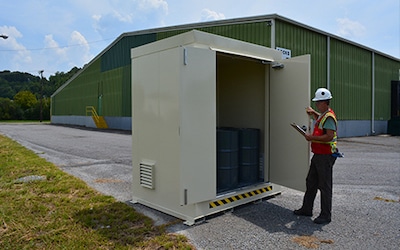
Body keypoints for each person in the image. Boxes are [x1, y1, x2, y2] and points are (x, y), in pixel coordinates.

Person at [294, 87, 338, 224]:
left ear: (325, 102)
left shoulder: (329, 117)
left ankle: (326, 215)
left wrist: (311, 137)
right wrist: (314, 113)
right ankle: (307, 209)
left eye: (318, 102)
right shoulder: (324, 115)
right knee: (311, 181)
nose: (316, 104)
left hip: (325, 156)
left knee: (324, 186)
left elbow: (329, 137)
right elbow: (321, 120)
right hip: (319, 155)